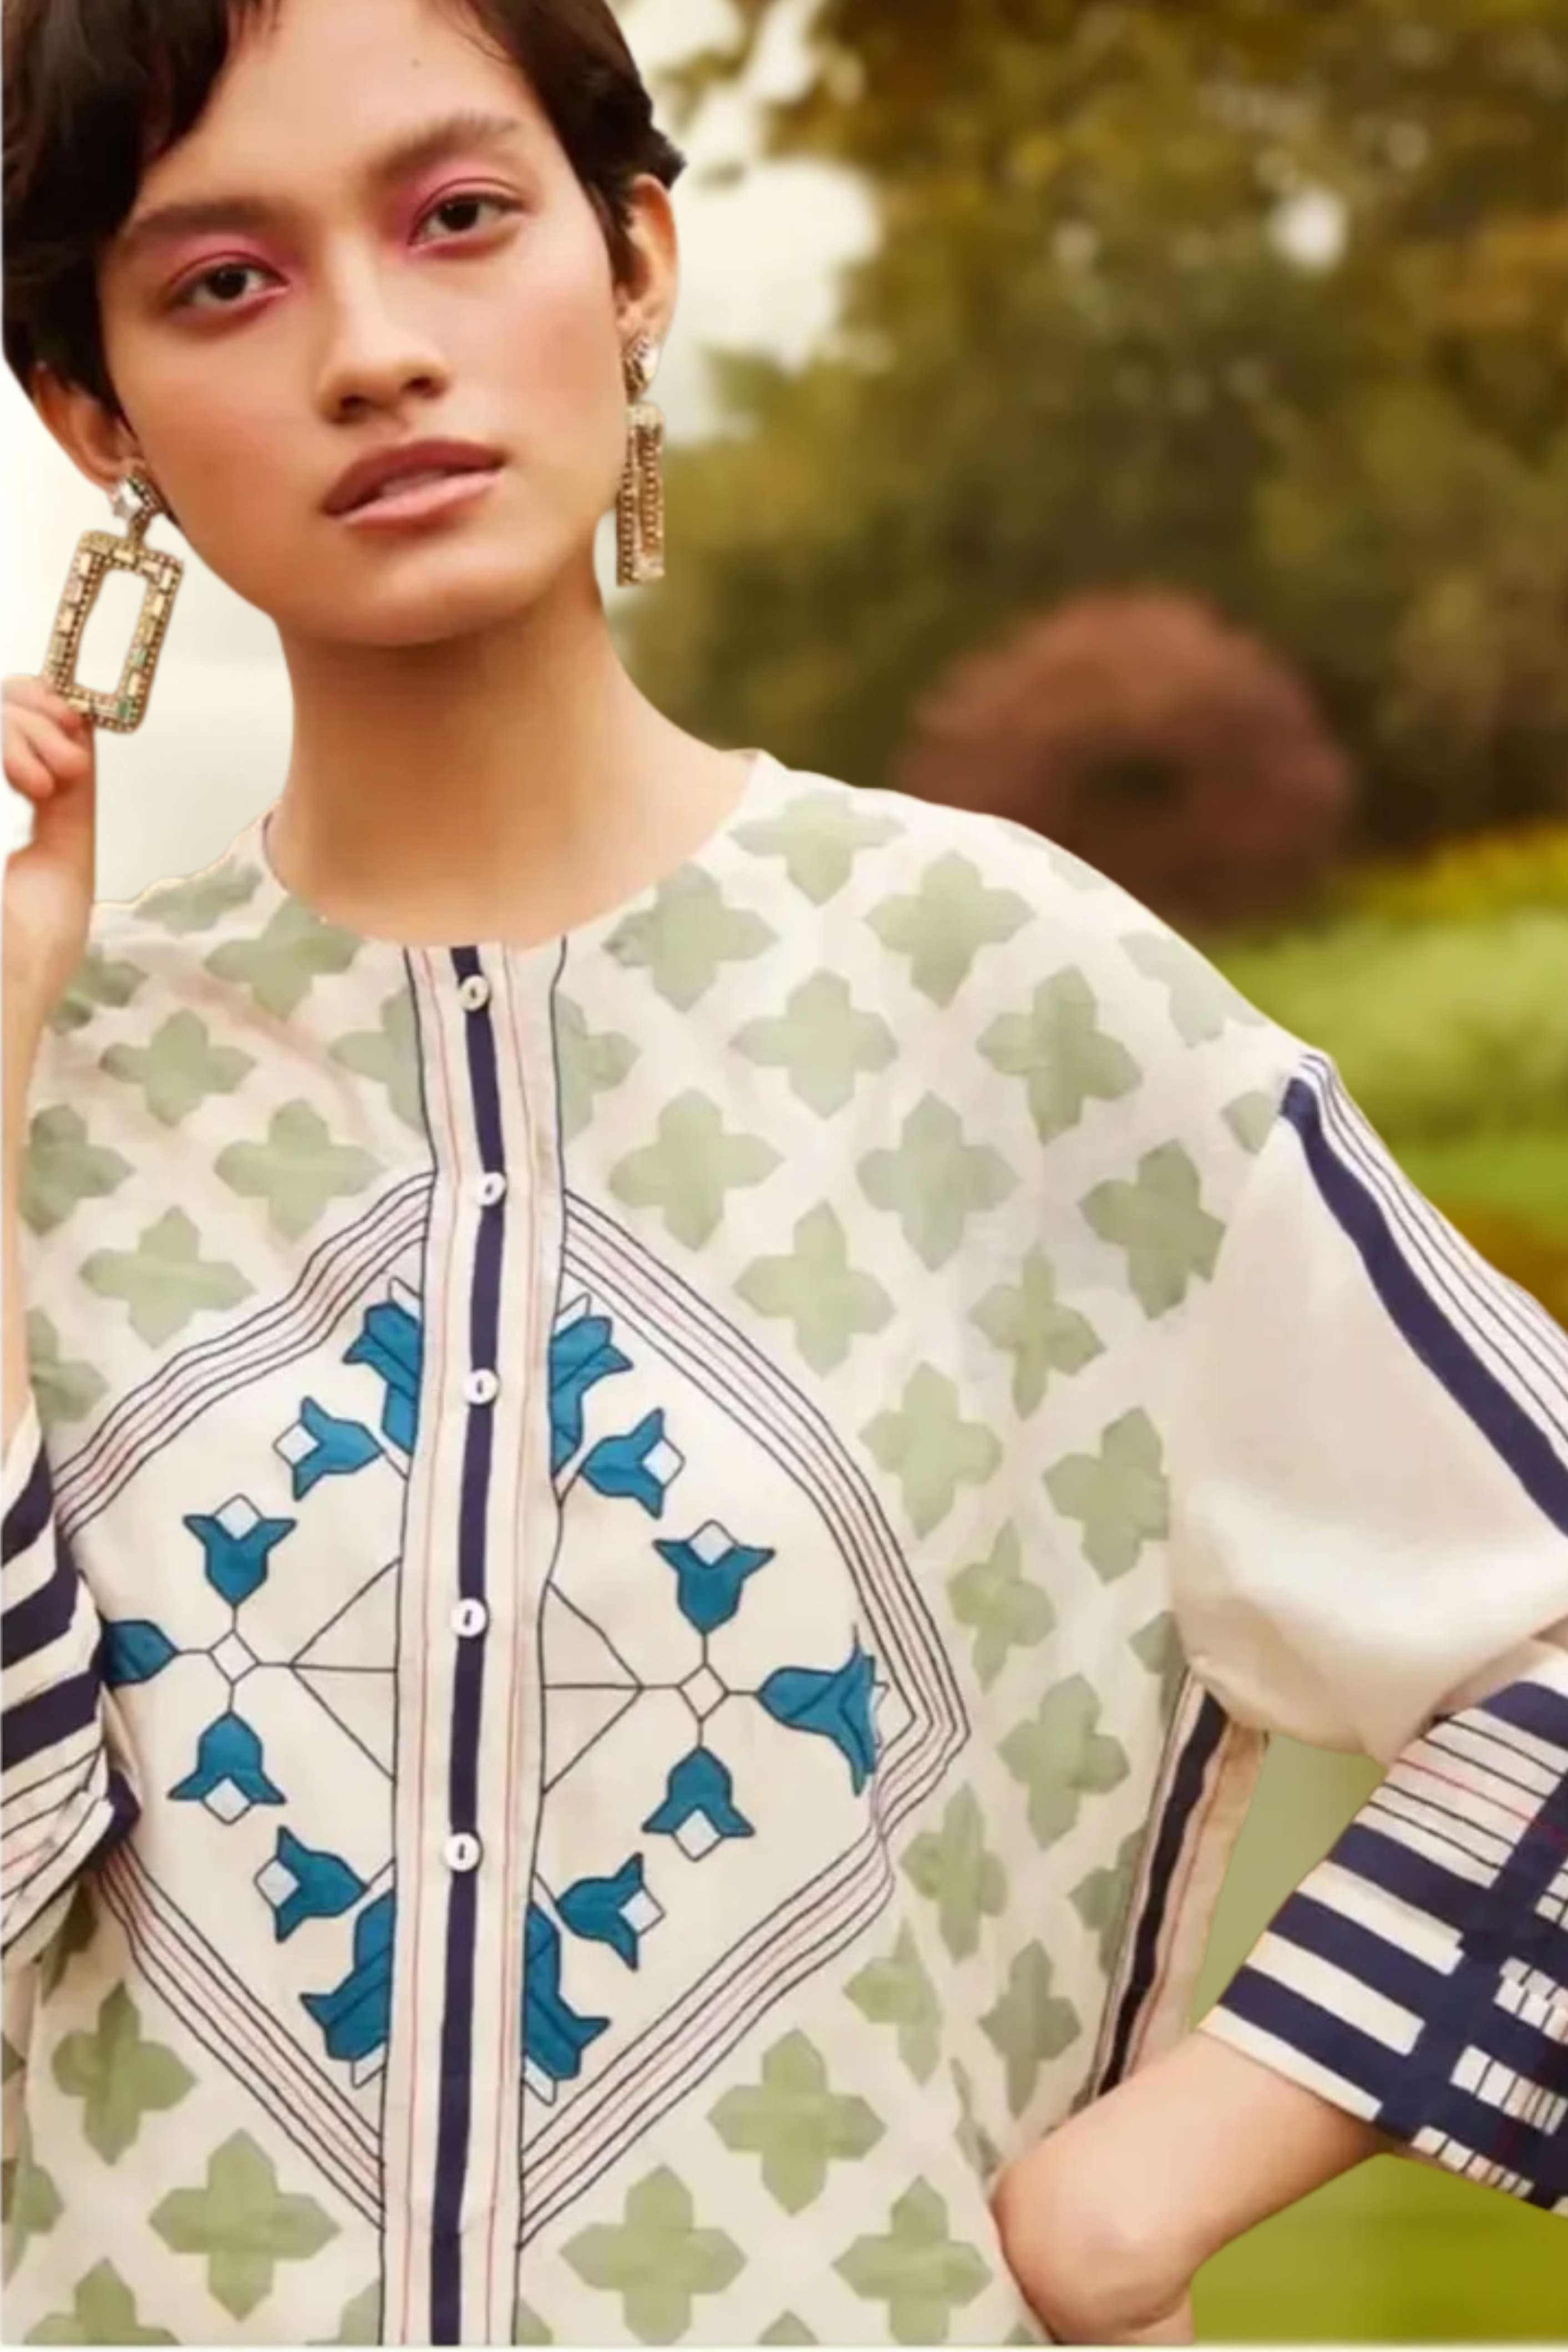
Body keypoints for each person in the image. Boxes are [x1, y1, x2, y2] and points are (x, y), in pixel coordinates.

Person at [2, 0, 1563, 2341]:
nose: (374, 351)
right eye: (226, 279)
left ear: (634, 256)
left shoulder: (1017, 1008)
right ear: (93, 414)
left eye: (458, 218)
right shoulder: (60, 1086)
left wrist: (1165, 2172)